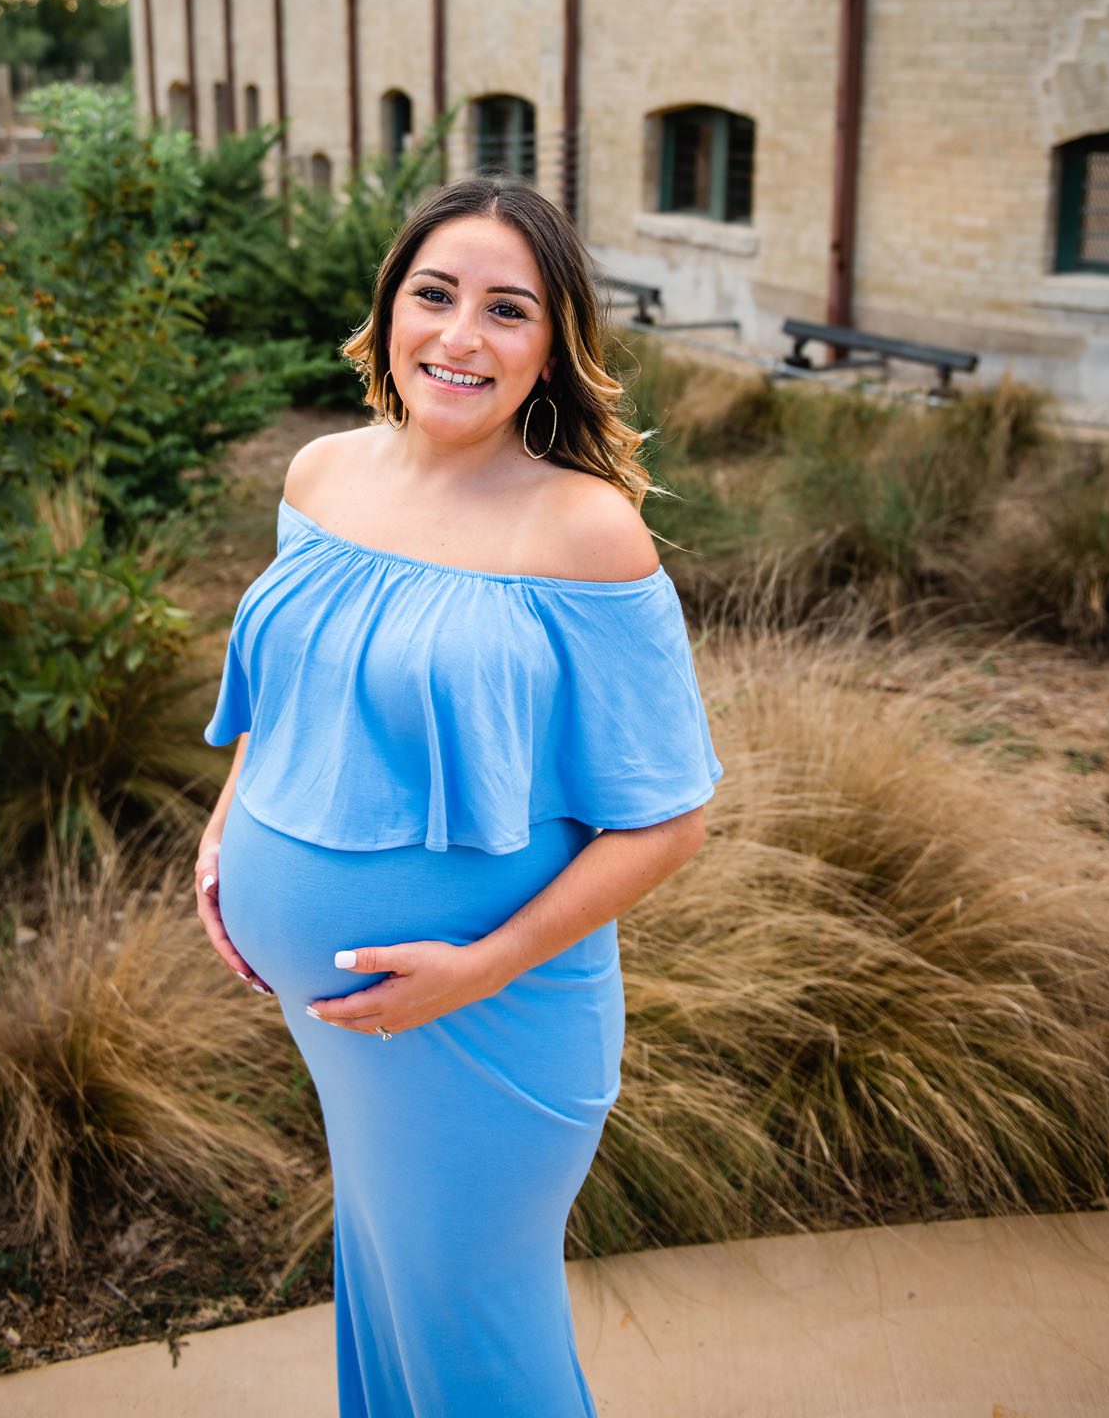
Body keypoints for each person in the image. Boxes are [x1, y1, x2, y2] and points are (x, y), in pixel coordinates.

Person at [195, 174, 723, 1417]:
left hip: (492, 1024)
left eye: (508, 309)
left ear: (553, 350)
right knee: (388, 1284)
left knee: (482, 1339)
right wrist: (230, 825)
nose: (459, 334)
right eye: (434, 294)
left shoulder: (589, 533)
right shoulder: (320, 476)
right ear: (388, 314)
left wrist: (481, 965)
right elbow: (288, 692)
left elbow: (671, 818)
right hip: (342, 1018)